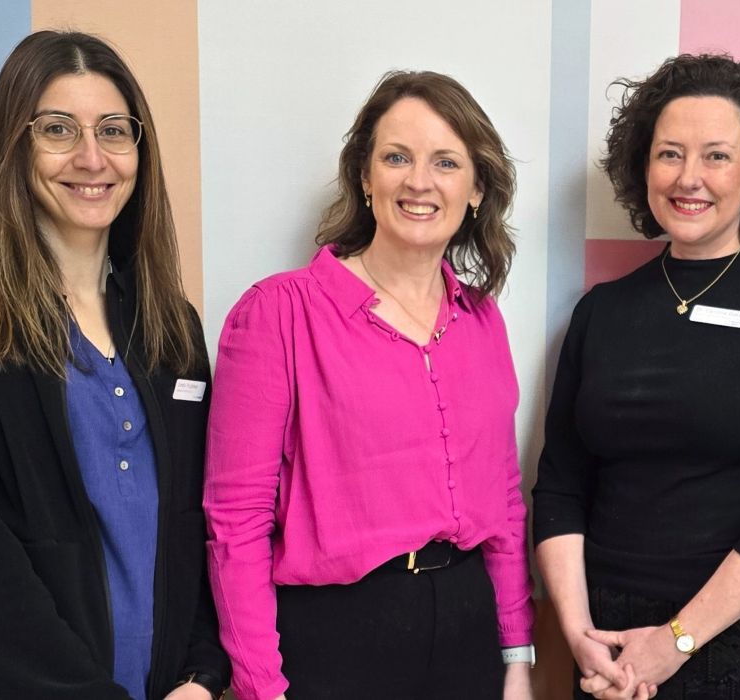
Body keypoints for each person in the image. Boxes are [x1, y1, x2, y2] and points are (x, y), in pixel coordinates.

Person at [0, 31, 229, 700]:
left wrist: (203, 672)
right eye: (57, 130)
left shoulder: (172, 329)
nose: (91, 157)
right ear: (13, 146)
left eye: (113, 130)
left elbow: (201, 524)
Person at [532, 54, 740, 700]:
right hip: (612, 650)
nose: (689, 178)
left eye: (716, 156)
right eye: (670, 154)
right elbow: (561, 487)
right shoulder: (601, 311)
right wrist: (579, 635)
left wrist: (675, 641)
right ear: (643, 168)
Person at [204, 70, 535, 700]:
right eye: (396, 157)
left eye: (446, 162)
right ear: (364, 176)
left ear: (476, 189)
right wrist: (260, 687)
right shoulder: (278, 313)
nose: (419, 181)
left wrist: (516, 655)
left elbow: (506, 502)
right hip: (335, 640)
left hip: (467, 630)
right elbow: (235, 521)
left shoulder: (481, 320)